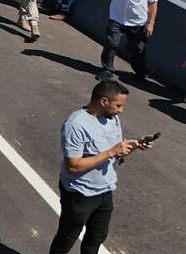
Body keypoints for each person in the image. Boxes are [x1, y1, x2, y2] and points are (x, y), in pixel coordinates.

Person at [49, 81, 153, 254]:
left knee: (95, 239)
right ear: (104, 102)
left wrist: (134, 146)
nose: (121, 110)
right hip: (79, 194)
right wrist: (111, 152)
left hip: (104, 191)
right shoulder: (76, 124)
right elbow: (73, 166)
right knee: (66, 238)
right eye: (118, 105)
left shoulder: (112, 119)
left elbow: (116, 153)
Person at [97, 0, 159, 82]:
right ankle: (107, 69)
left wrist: (151, 22)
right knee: (111, 44)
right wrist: (106, 10)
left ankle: (140, 72)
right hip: (117, 18)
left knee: (138, 49)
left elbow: (153, 3)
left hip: (138, 22)